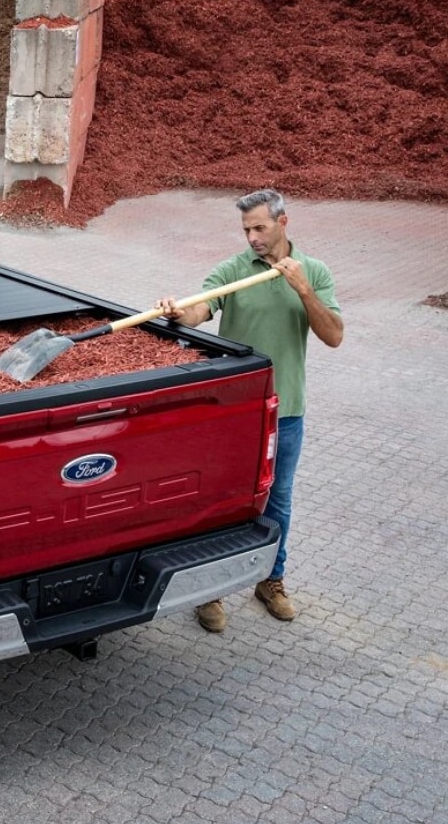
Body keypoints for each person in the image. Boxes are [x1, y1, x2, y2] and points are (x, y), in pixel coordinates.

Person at [157, 189, 343, 633]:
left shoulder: (314, 272)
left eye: (259, 227)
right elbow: (202, 308)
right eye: (246, 230)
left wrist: (303, 289)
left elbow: (334, 335)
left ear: (283, 222)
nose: (252, 238)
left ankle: (270, 579)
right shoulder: (234, 270)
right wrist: (180, 312)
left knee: (277, 498)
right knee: (224, 500)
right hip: (236, 412)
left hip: (288, 410)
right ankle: (211, 590)